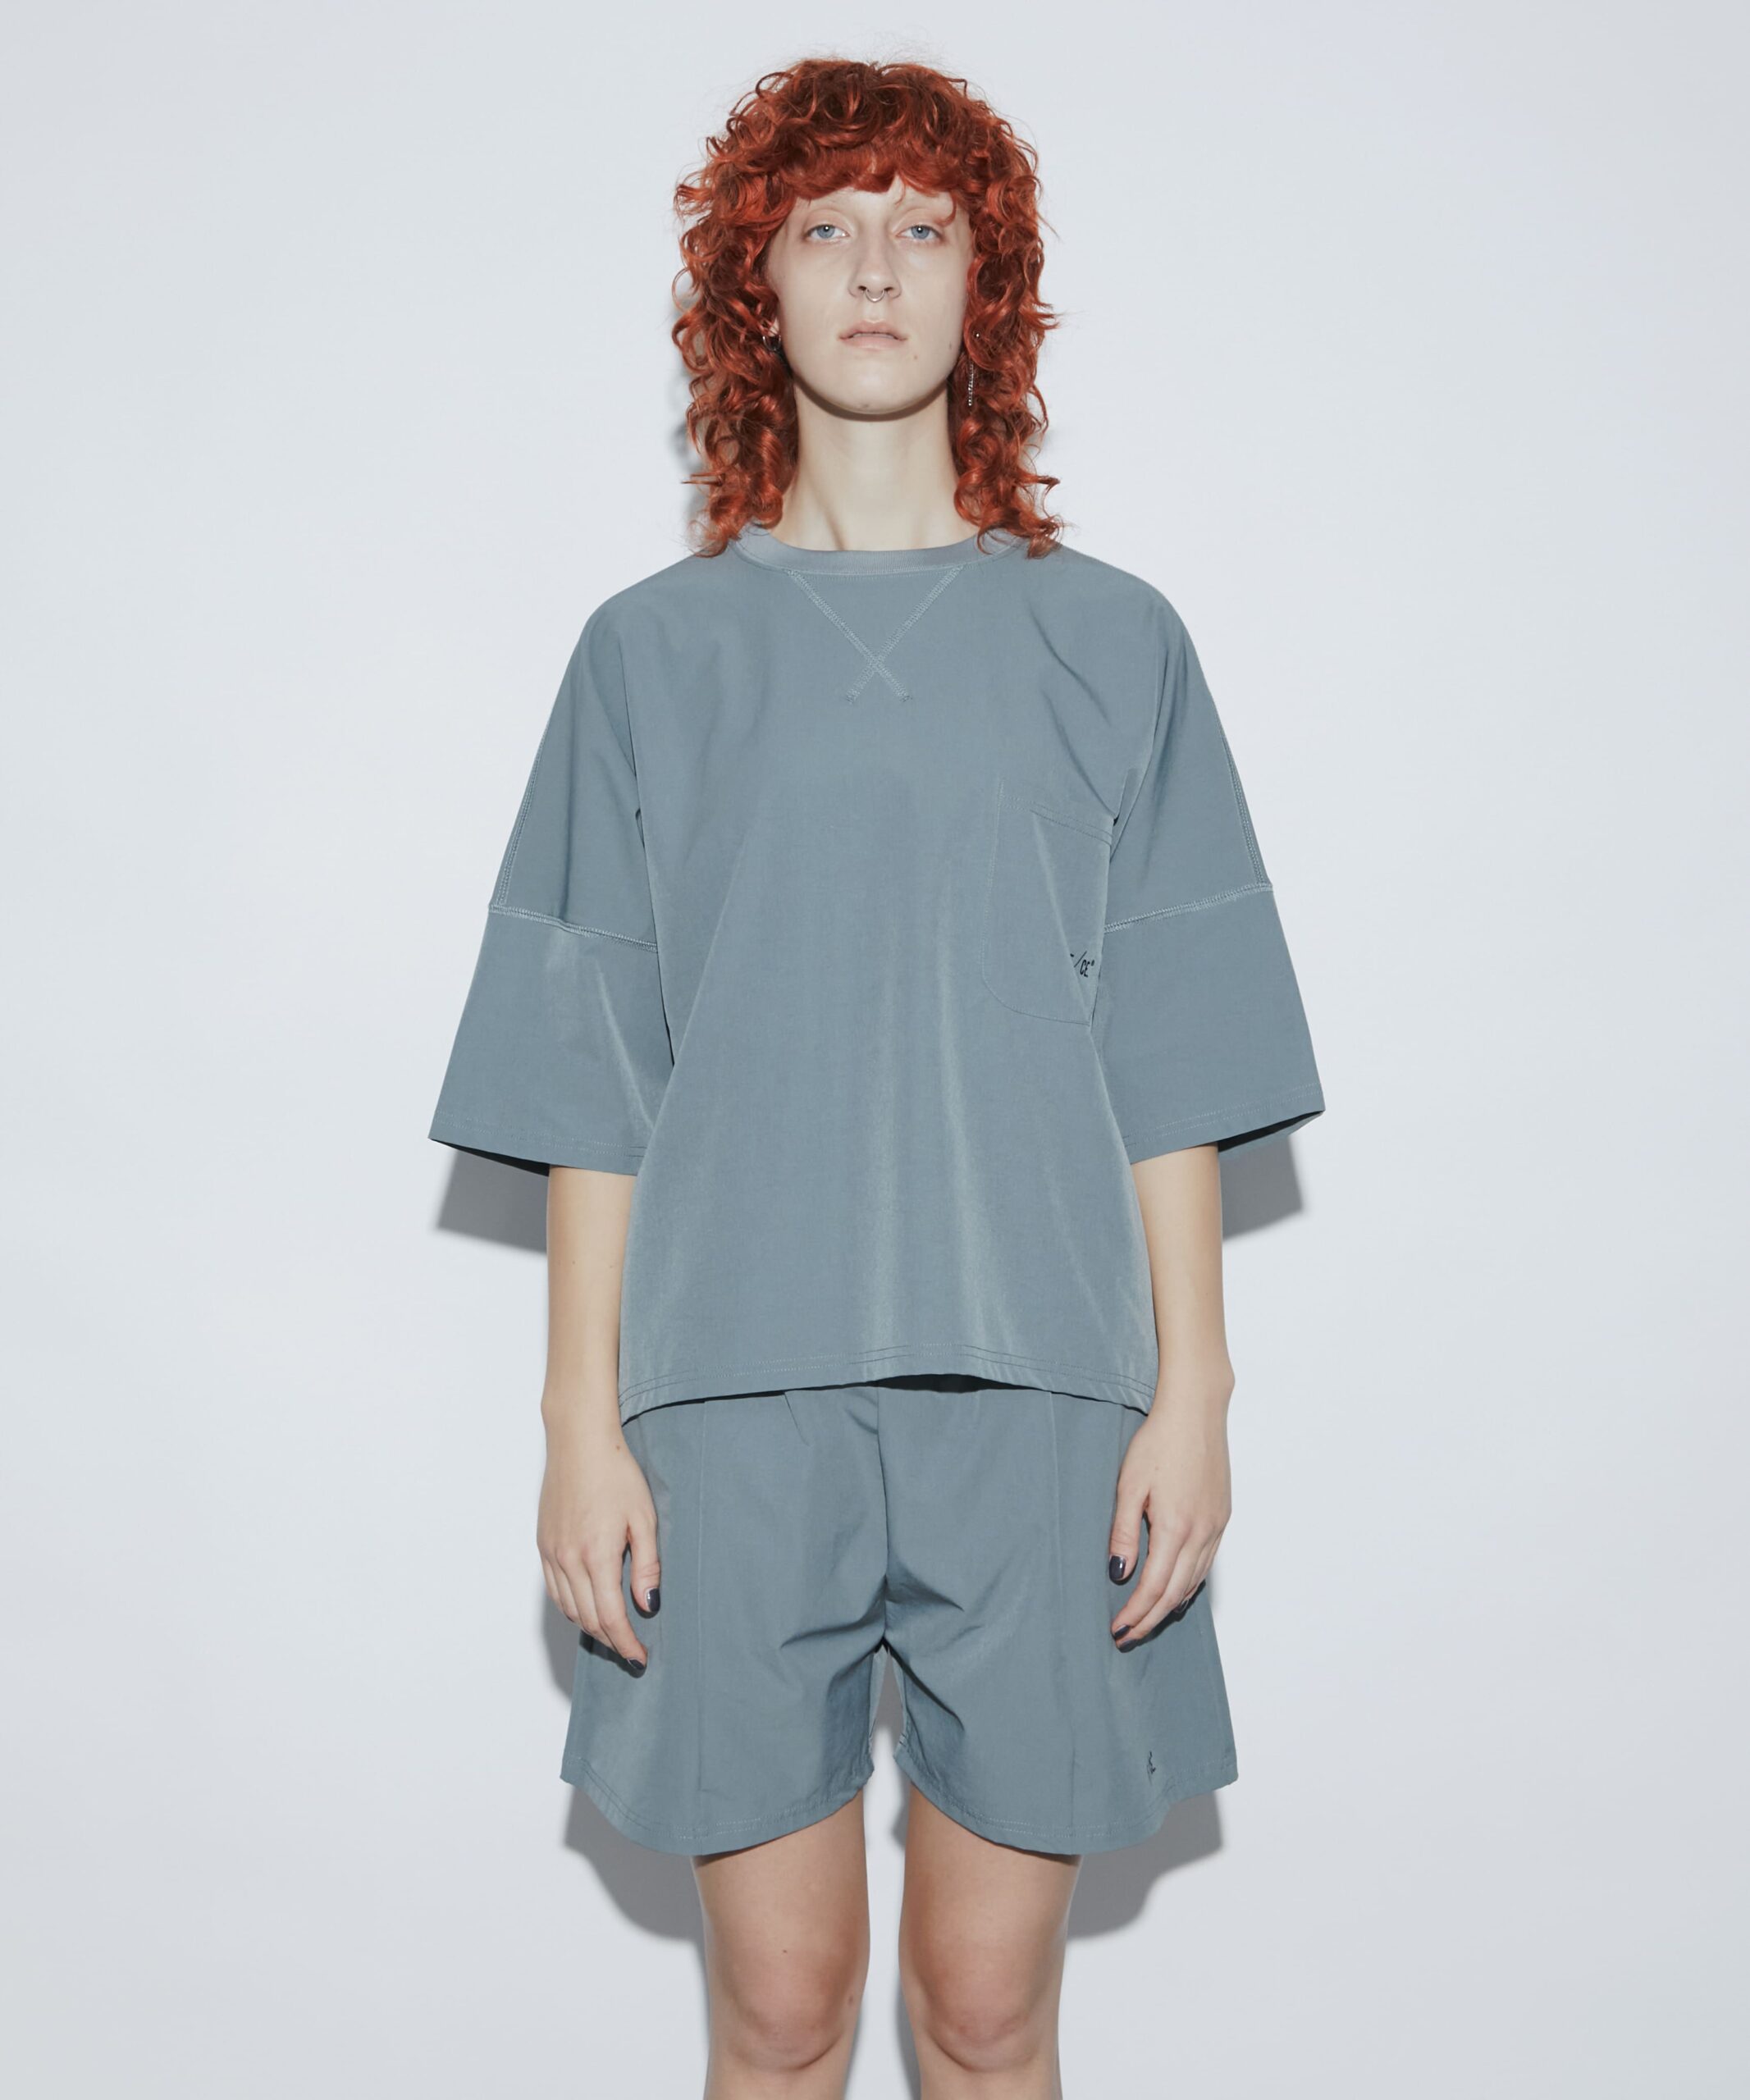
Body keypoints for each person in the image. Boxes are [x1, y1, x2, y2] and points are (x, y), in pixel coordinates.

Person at [428, 55, 1325, 2100]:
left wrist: (1195, 1387)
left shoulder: (1115, 643)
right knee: (780, 2011)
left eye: (925, 227)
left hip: (1047, 1393)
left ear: (983, 287)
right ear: (750, 284)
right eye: (824, 225)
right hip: (730, 1399)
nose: (872, 267)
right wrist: (578, 1421)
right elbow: (591, 1067)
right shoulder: (646, 656)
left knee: (987, 2015)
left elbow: (1171, 1046)